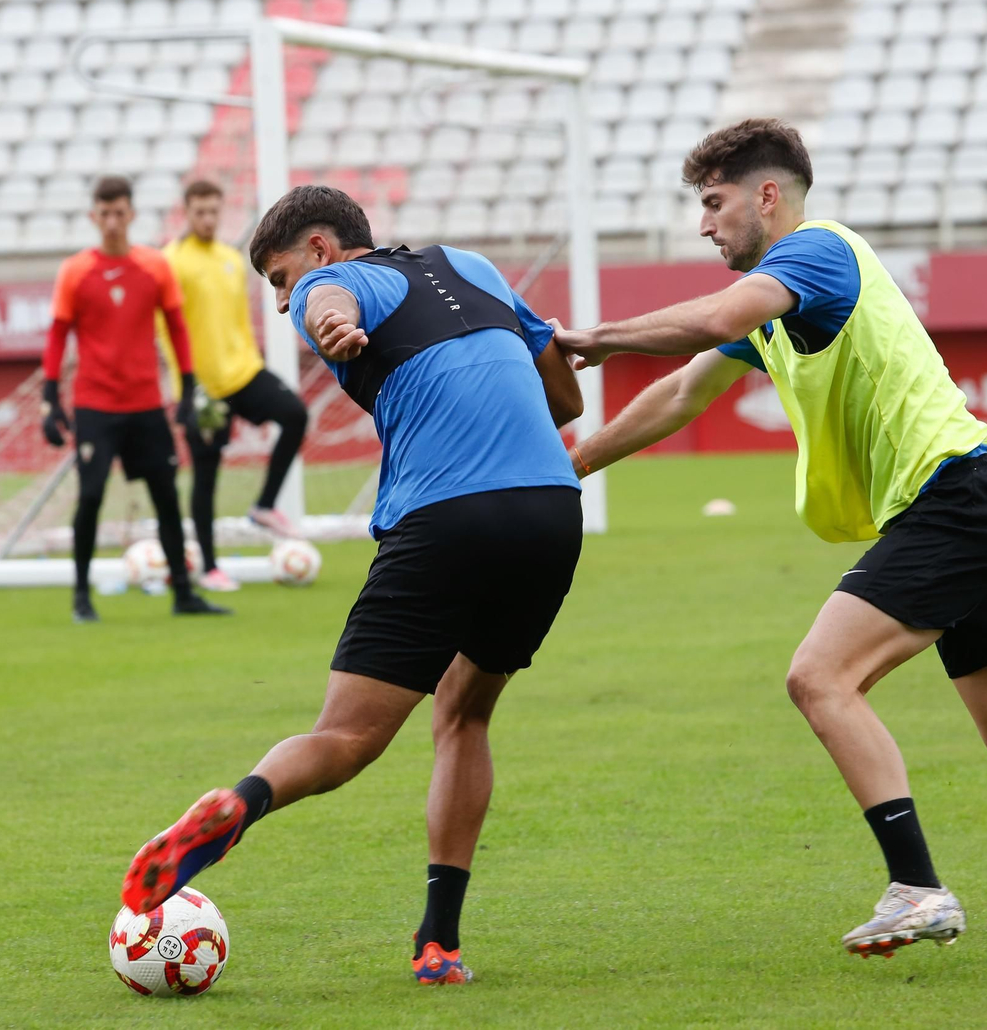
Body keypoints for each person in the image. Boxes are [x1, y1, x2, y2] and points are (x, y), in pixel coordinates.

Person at [555, 119, 987, 956]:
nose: (703, 224)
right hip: (979, 501)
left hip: (954, 501)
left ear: (769, 196)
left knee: (820, 677)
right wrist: (571, 466)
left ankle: (917, 889)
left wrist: (595, 337)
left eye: (715, 203)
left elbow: (717, 315)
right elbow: (683, 392)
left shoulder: (816, 252)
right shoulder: (777, 303)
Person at [119, 185, 585, 984]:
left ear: (321, 247)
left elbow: (328, 302)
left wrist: (328, 316)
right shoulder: (471, 266)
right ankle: (439, 943)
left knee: (345, 740)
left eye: (280, 279)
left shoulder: (334, 285)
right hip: (549, 512)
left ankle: (242, 803)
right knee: (465, 713)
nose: (283, 303)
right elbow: (566, 401)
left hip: (444, 518)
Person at [42, 175, 230, 622]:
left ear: (131, 214)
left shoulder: (154, 266)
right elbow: (57, 335)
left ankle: (183, 594)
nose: (112, 221)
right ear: (94, 217)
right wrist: (50, 398)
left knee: (166, 496)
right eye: (104, 213)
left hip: (145, 403)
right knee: (90, 496)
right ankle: (81, 596)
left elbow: (178, 327)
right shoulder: (75, 271)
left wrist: (187, 387)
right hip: (95, 405)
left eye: (119, 213)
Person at [162, 180, 310, 591]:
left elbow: (239, 324)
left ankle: (264, 505)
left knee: (295, 414)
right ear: (186, 213)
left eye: (214, 211)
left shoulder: (230, 258)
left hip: (243, 373)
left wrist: (254, 363)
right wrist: (186, 387)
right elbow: (166, 329)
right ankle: (210, 567)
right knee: (206, 476)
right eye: (200, 212)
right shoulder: (172, 262)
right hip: (202, 388)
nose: (208, 219)